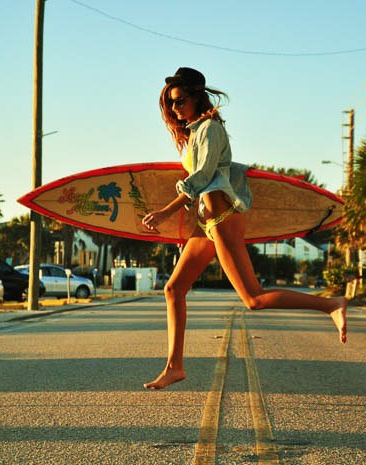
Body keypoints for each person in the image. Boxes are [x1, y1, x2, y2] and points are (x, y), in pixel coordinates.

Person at [142, 67, 347, 390]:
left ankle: (331, 305)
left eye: (179, 100)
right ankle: (174, 366)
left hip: (223, 220)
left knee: (253, 298)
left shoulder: (209, 129)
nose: (175, 109)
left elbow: (204, 176)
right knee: (174, 289)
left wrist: (166, 212)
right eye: (170, 104)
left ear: (196, 96)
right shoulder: (196, 132)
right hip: (207, 224)